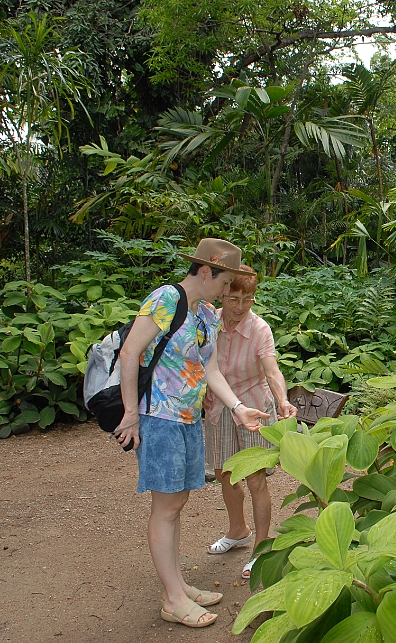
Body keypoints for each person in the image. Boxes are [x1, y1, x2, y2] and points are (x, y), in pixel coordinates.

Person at [115, 238, 271, 629]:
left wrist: (238, 408)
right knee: (165, 507)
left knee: (176, 504)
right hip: (159, 417)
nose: (226, 292)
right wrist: (131, 414)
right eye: (224, 283)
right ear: (206, 272)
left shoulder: (206, 315)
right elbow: (129, 352)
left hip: (188, 419)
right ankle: (172, 599)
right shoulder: (166, 299)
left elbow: (211, 370)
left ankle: (178, 585)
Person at [203, 264, 298, 579]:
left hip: (254, 410)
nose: (240, 307)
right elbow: (198, 363)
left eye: (247, 299)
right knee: (225, 474)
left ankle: (261, 547)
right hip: (219, 408)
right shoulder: (209, 323)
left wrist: (283, 400)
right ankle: (237, 530)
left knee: (256, 479)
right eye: (232, 299)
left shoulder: (260, 329)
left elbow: (272, 371)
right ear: (222, 294)